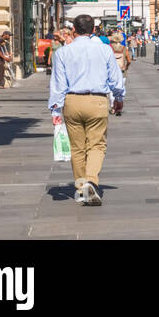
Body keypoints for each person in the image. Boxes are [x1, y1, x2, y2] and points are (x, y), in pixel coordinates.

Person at [48, 13, 125, 206]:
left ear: (74, 30)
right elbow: (116, 78)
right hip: (97, 101)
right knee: (97, 145)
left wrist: (55, 110)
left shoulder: (63, 52)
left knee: (77, 148)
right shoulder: (104, 50)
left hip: (72, 101)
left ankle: (81, 187)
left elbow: (57, 84)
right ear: (93, 30)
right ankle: (91, 180)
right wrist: (119, 98)